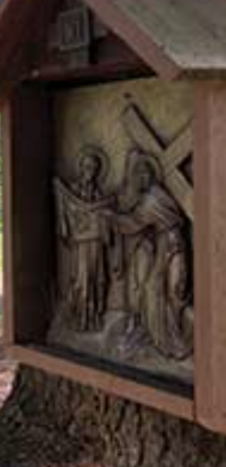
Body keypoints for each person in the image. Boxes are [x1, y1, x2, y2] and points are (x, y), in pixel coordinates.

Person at [112, 150, 192, 360]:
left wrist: (111, 217)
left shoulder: (153, 198)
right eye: (139, 175)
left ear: (151, 176)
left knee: (174, 289)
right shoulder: (151, 197)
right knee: (156, 288)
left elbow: (132, 223)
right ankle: (163, 338)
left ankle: (171, 340)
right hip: (167, 243)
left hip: (172, 244)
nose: (142, 178)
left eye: (146, 174)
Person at [54, 148, 116, 332]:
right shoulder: (72, 191)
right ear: (81, 167)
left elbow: (102, 216)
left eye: (95, 167)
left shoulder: (98, 193)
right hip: (81, 244)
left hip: (96, 243)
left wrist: (101, 212)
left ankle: (95, 316)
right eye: (88, 166)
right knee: (83, 279)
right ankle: (80, 317)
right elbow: (74, 211)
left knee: (98, 279)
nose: (91, 170)